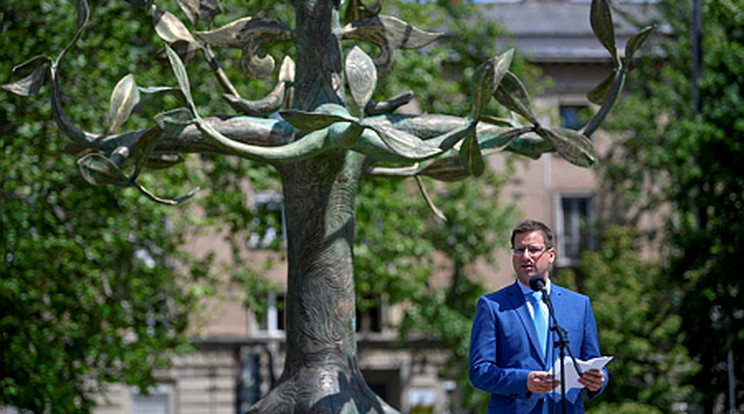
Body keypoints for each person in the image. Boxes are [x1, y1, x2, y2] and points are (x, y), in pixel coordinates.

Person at [468, 219, 607, 413]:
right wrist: (524, 381)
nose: (525, 256)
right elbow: (479, 372)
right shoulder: (492, 306)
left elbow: (593, 360)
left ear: (551, 255)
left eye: (533, 250)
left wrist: (598, 381)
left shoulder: (579, 304)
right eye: (519, 250)